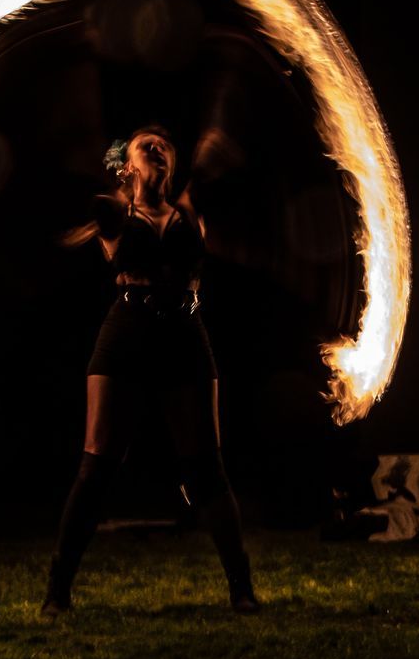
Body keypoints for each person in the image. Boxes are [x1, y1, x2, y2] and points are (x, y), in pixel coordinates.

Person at [42, 126, 262, 615]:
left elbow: (217, 190)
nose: (158, 147)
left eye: (165, 145)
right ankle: (58, 591)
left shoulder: (188, 211)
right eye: (147, 146)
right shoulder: (117, 212)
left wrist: (211, 159)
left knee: (208, 469)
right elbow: (95, 207)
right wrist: (111, 180)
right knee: (96, 467)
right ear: (131, 166)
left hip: (185, 333)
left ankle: (241, 589)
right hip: (127, 332)